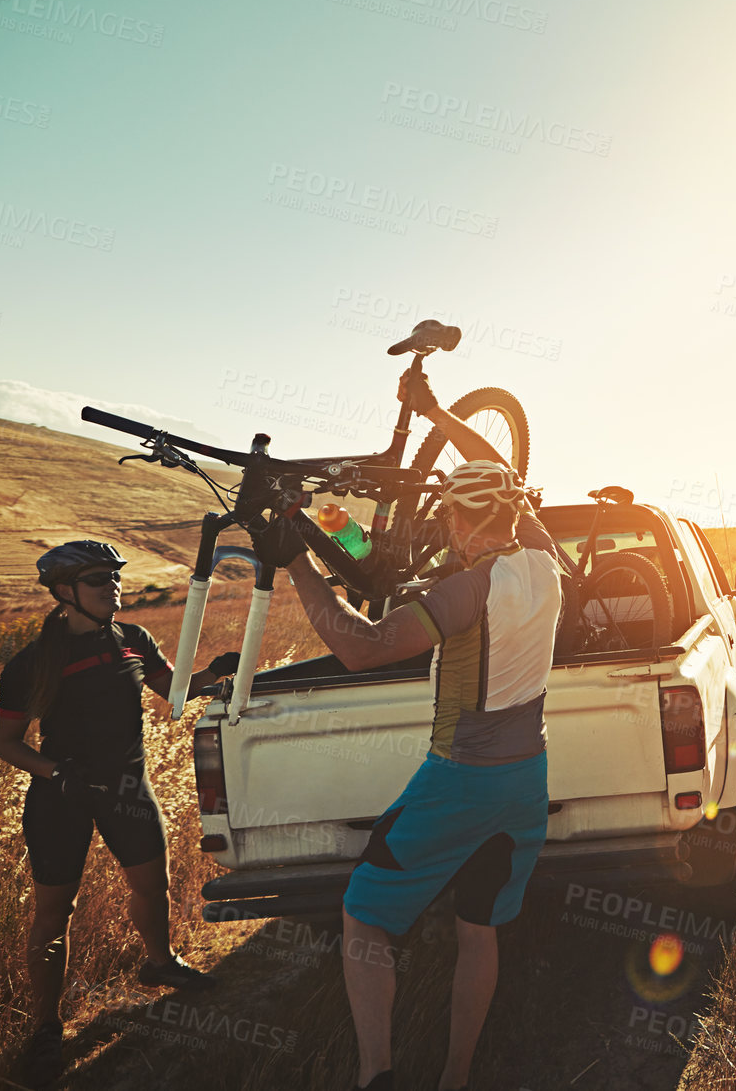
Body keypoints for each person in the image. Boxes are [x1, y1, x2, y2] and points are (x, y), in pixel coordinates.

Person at [261, 372, 561, 1091]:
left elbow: (359, 646)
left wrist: (295, 560)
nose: (447, 532)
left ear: (463, 520)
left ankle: (376, 1076)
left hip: (459, 779)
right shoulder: (545, 560)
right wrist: (436, 416)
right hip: (525, 781)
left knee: (363, 916)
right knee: (477, 926)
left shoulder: (462, 591)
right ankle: (455, 1076)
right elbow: (502, 470)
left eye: (451, 520)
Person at [0, 540, 239, 1086]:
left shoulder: (134, 639)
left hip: (129, 786)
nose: (114, 587)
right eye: (100, 580)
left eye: (115, 578)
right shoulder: (32, 663)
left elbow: (170, 692)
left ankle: (159, 963)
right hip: (62, 797)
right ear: (65, 592)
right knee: (56, 913)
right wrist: (58, 773)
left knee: (154, 885)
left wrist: (213, 677)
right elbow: (7, 744)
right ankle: (44, 1028)